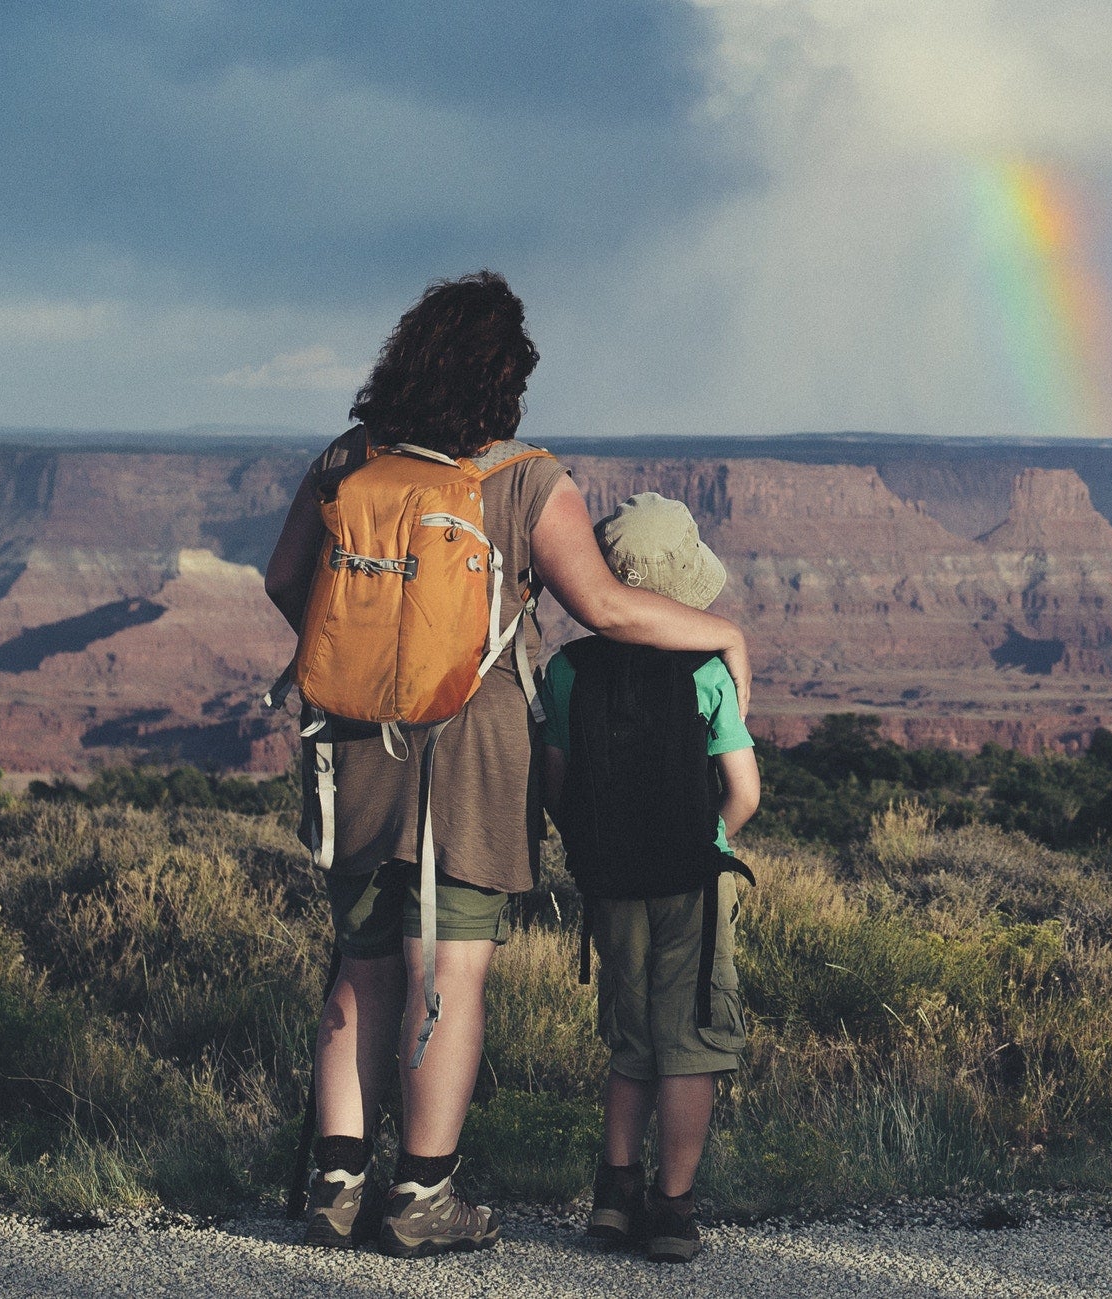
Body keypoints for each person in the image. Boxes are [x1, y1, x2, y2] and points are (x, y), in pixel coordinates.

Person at [264, 272, 752, 1258]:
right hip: (475, 754)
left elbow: (285, 582)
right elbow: (605, 609)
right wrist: (719, 633)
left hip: (355, 747)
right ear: (505, 382)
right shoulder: (527, 477)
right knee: (448, 968)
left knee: (359, 968)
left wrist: (364, 666)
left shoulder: (347, 459)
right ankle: (423, 1196)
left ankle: (336, 1187)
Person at [538, 492, 759, 1264]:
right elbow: (745, 789)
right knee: (690, 1040)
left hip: (611, 879)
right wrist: (712, 837)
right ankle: (670, 1208)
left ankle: (612, 1195)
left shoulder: (564, 670)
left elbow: (555, 781)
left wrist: (592, 846)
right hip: (692, 878)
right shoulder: (705, 670)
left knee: (629, 1039)